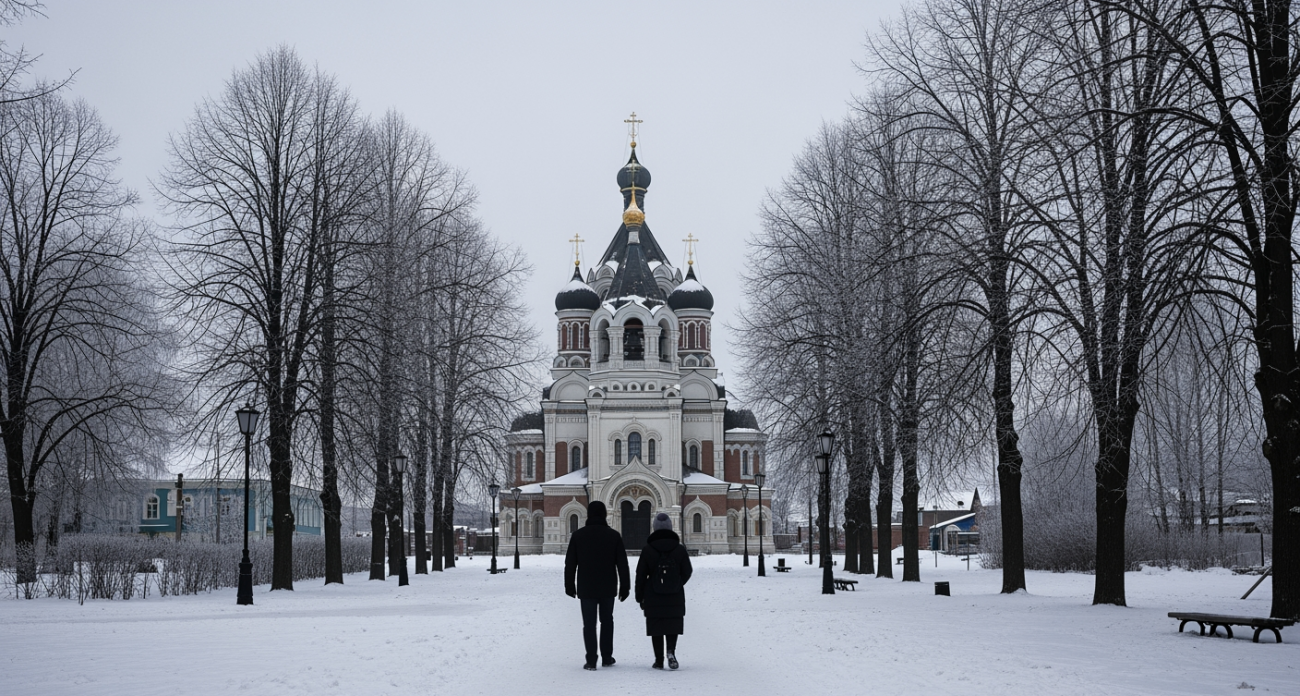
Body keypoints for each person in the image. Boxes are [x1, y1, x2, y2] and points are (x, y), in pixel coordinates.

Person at [564, 500, 631, 671]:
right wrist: (625, 586)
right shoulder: (614, 536)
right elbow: (622, 564)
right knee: (607, 621)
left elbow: (570, 563)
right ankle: (607, 657)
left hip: (586, 586)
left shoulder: (578, 535)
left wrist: (569, 585)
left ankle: (591, 660)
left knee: (589, 624)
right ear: (604, 515)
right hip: (608, 586)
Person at [635, 512, 693, 670]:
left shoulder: (648, 549)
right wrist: (677, 583)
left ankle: (659, 660)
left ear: (654, 528)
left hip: (653, 595)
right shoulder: (679, 549)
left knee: (656, 626)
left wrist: (640, 595)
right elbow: (687, 570)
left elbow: (640, 574)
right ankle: (671, 652)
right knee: (672, 623)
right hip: (675, 595)